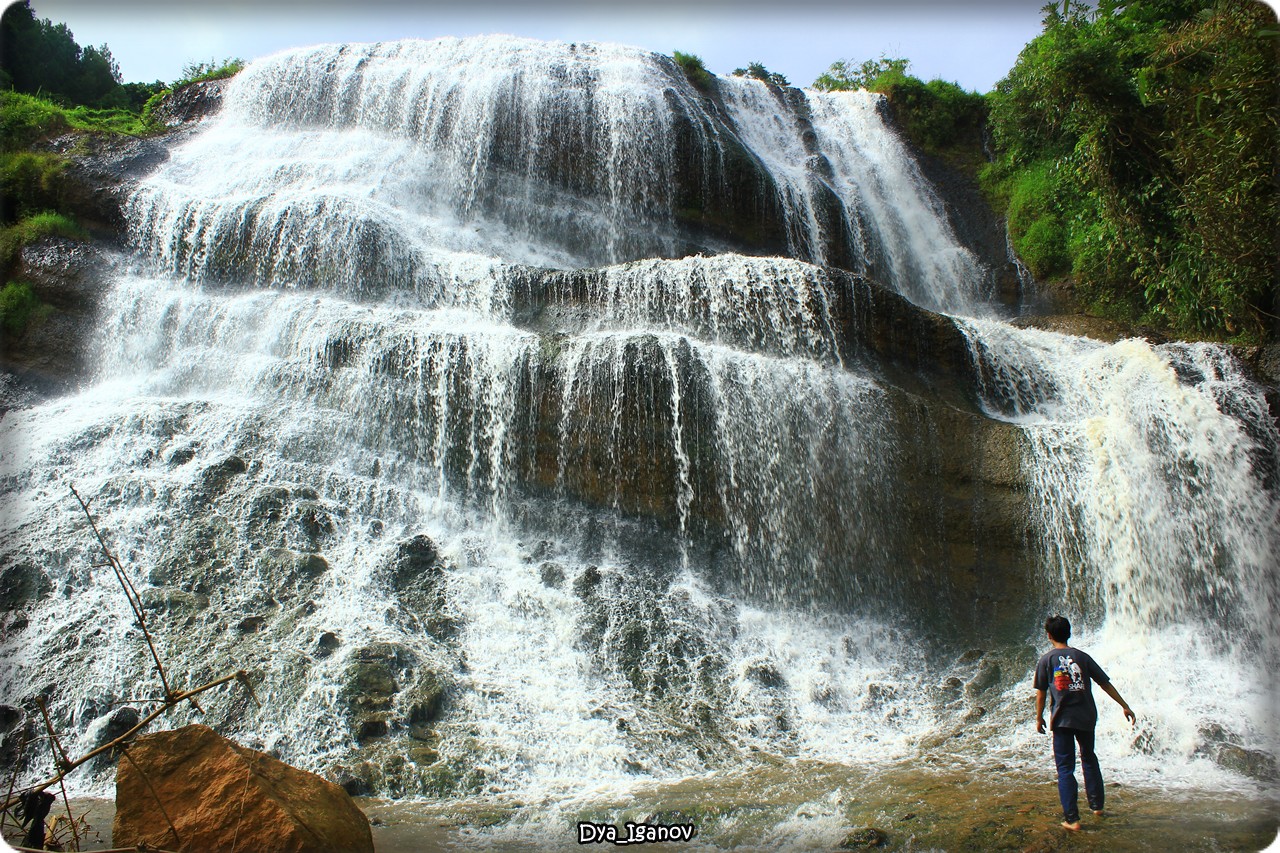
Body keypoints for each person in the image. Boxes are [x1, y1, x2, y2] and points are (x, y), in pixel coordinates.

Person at [1034, 615, 1136, 831]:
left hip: (1062, 719)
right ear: (1070, 633)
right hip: (1086, 716)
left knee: (1065, 768)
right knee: (1089, 759)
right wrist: (1124, 705)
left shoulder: (1046, 660)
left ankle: (1072, 819)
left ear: (1049, 635)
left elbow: (1041, 693)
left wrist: (1039, 717)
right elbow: (1105, 683)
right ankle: (1097, 806)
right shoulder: (1082, 657)